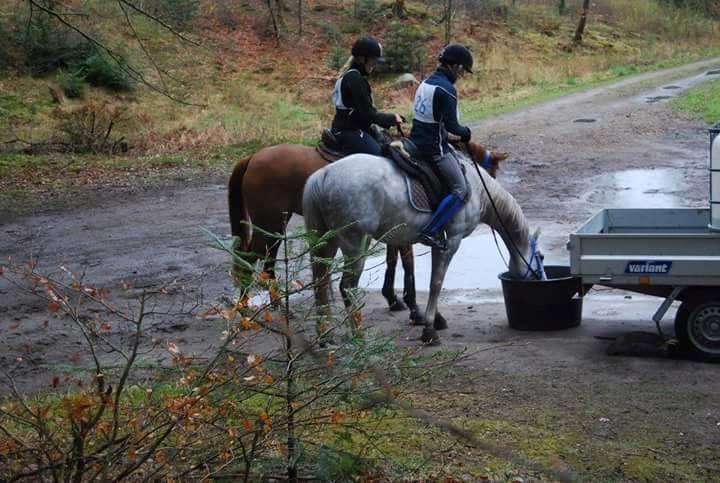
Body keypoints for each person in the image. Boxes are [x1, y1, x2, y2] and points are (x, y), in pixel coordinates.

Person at [408, 43, 474, 250]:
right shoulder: (447, 90)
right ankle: (432, 229)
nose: (462, 74)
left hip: (414, 140)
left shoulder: (426, 82)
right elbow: (453, 126)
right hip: (433, 148)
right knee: (461, 188)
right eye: (463, 69)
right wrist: (466, 132)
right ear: (454, 66)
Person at [330, 36, 405, 155]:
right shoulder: (355, 79)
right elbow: (367, 114)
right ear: (361, 59)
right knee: (381, 158)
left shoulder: (351, 76)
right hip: (350, 131)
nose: (375, 64)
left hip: (350, 127)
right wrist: (392, 118)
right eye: (373, 60)